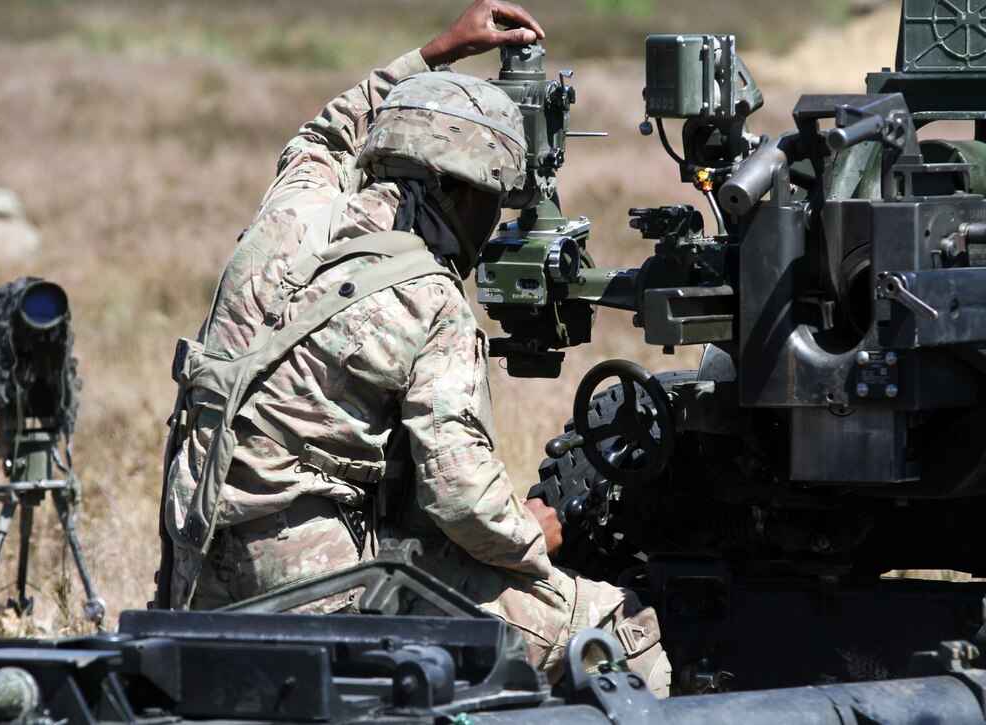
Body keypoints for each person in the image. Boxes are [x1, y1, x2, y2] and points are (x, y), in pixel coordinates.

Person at [158, 0, 671, 695]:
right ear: (461, 194)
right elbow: (460, 496)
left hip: (196, 570)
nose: (496, 220)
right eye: (495, 196)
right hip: (317, 597)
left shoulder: (294, 208)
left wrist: (435, 53)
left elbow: (327, 131)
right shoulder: (431, 299)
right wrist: (531, 534)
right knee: (613, 626)